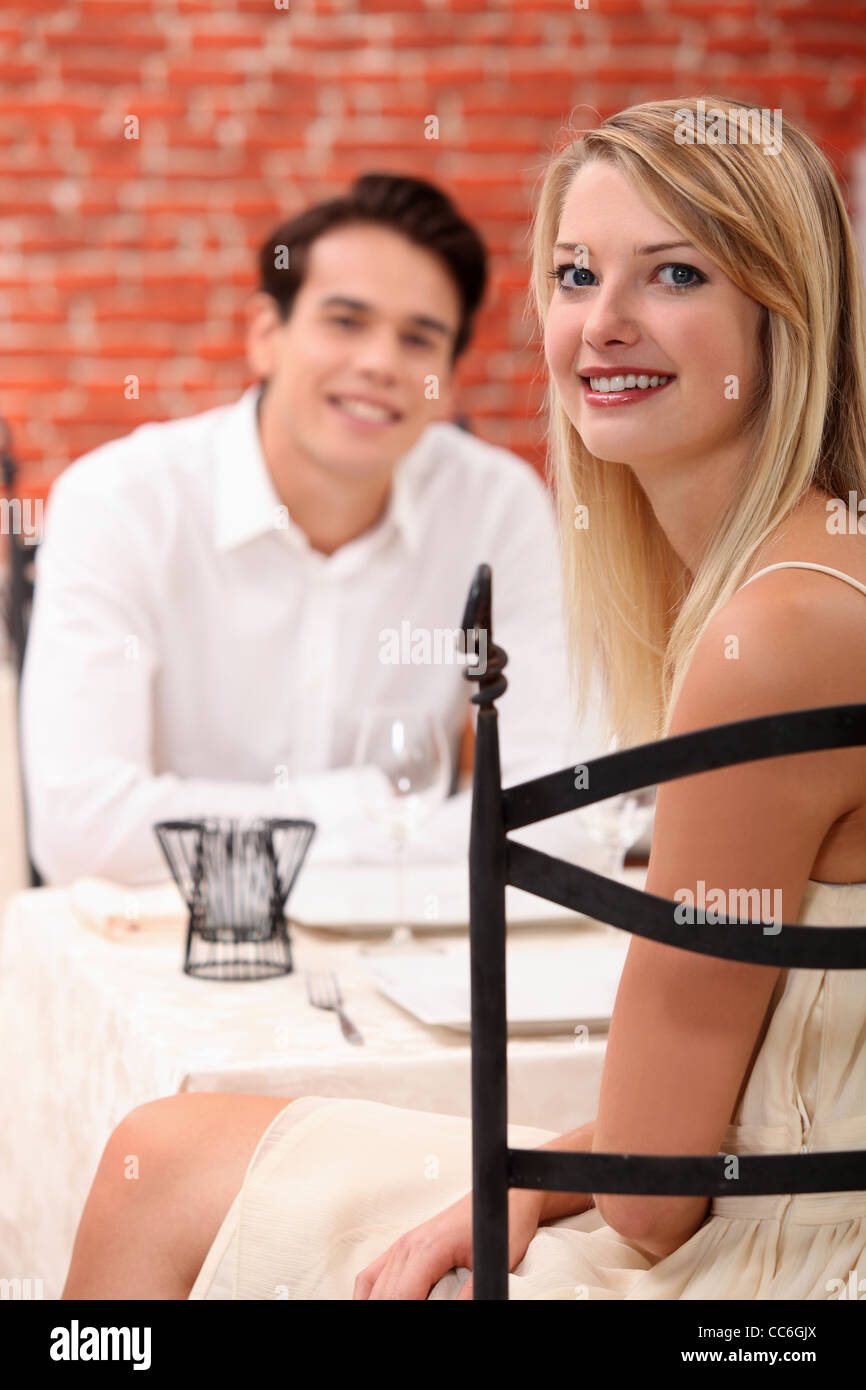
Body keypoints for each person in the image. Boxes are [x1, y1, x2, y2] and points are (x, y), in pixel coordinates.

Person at [62, 94, 866, 1300]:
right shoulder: (806, 577)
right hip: (772, 1178)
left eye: (675, 274)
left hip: (783, 1263)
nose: (603, 323)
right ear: (262, 335)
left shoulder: (779, 626)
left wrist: (536, 1173)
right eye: (577, 275)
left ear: (782, 314)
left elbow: (654, 1195)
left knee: (155, 1160)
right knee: (168, 1152)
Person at [19, 173, 609, 887]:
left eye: (419, 339)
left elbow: (567, 814)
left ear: (449, 382)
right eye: (345, 321)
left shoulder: (498, 508)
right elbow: (85, 834)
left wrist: (280, 835)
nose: (380, 364)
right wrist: (371, 813)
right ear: (267, 336)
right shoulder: (122, 502)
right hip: (173, 956)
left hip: (410, 951)